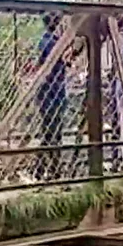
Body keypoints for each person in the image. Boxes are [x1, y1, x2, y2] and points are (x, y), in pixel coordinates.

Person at [35, 14, 68, 180]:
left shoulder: (46, 41)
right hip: (53, 92)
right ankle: (53, 169)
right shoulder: (52, 43)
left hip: (49, 91)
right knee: (54, 133)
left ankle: (42, 169)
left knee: (48, 132)